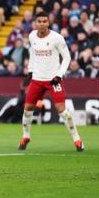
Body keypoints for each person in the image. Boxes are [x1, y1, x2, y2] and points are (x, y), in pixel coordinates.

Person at [19, 12, 84, 152]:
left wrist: (59, 75)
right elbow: (33, 53)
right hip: (37, 79)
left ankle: (77, 139)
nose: (42, 23)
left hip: (53, 80)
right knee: (27, 109)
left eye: (44, 21)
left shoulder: (57, 38)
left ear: (48, 23)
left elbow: (67, 57)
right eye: (39, 21)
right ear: (36, 23)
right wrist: (30, 71)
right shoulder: (32, 36)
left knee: (63, 111)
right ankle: (25, 136)